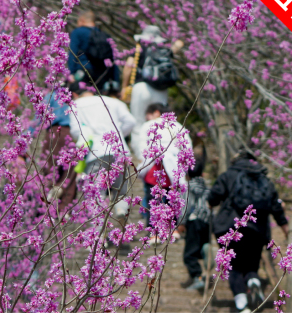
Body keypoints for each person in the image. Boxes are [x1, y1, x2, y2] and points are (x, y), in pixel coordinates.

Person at [208, 150, 289, 313]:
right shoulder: (263, 177)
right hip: (257, 230)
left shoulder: (228, 174)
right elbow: (276, 206)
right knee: (252, 263)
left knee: (233, 266)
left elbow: (213, 198)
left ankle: (241, 303)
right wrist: (285, 228)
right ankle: (253, 280)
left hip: (229, 227)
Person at [67, 81, 135, 221]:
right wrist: (119, 134)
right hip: (118, 150)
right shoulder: (112, 102)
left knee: (96, 194)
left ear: (74, 94)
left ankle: (98, 236)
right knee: (120, 189)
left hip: (95, 153)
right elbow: (130, 122)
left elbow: (75, 131)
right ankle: (121, 210)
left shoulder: (76, 106)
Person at [135, 103, 192, 243]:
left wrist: (145, 160)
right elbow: (187, 147)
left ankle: (154, 233)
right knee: (172, 201)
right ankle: (172, 230)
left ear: (155, 112)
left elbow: (141, 147)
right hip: (173, 169)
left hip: (155, 167)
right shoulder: (178, 125)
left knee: (153, 201)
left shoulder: (148, 125)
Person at [121, 26, 180, 157]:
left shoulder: (139, 48)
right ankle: (160, 153)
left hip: (141, 87)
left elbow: (128, 66)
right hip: (161, 89)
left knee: (138, 123)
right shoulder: (164, 50)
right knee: (159, 122)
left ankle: (142, 158)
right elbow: (178, 45)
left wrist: (124, 86)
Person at [178, 140, 211, 291]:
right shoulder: (206, 187)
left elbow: (186, 205)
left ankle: (197, 278)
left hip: (194, 221)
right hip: (207, 222)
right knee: (199, 249)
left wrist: (181, 223)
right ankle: (206, 253)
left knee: (189, 254)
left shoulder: (189, 187)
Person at [67, 11, 118, 92]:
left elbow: (73, 52)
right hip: (102, 72)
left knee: (83, 97)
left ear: (82, 20)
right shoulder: (104, 35)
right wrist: (115, 79)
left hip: (84, 70)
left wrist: (71, 73)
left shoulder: (78, 32)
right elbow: (113, 58)